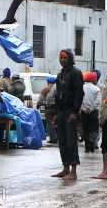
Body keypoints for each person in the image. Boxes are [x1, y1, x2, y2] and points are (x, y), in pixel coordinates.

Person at [51, 49, 84, 180]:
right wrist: (55, 113)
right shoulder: (60, 75)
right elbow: (57, 95)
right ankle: (65, 168)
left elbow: (79, 94)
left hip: (71, 111)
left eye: (65, 57)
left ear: (70, 58)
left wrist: (75, 112)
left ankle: (74, 170)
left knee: (71, 141)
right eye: (61, 57)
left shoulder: (76, 73)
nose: (62, 60)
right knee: (62, 141)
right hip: (61, 112)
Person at [80, 71, 101, 153]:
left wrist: (84, 108)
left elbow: (80, 100)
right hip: (93, 112)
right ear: (94, 79)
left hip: (83, 112)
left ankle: (87, 146)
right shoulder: (96, 89)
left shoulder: (81, 87)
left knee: (85, 128)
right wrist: (91, 108)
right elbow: (97, 102)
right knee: (93, 129)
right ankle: (92, 144)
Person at [38, 76, 58, 144]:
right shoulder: (58, 88)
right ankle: (58, 137)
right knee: (56, 123)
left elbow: (41, 99)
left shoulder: (45, 89)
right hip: (57, 109)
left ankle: (53, 138)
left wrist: (39, 104)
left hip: (49, 109)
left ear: (48, 82)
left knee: (50, 123)